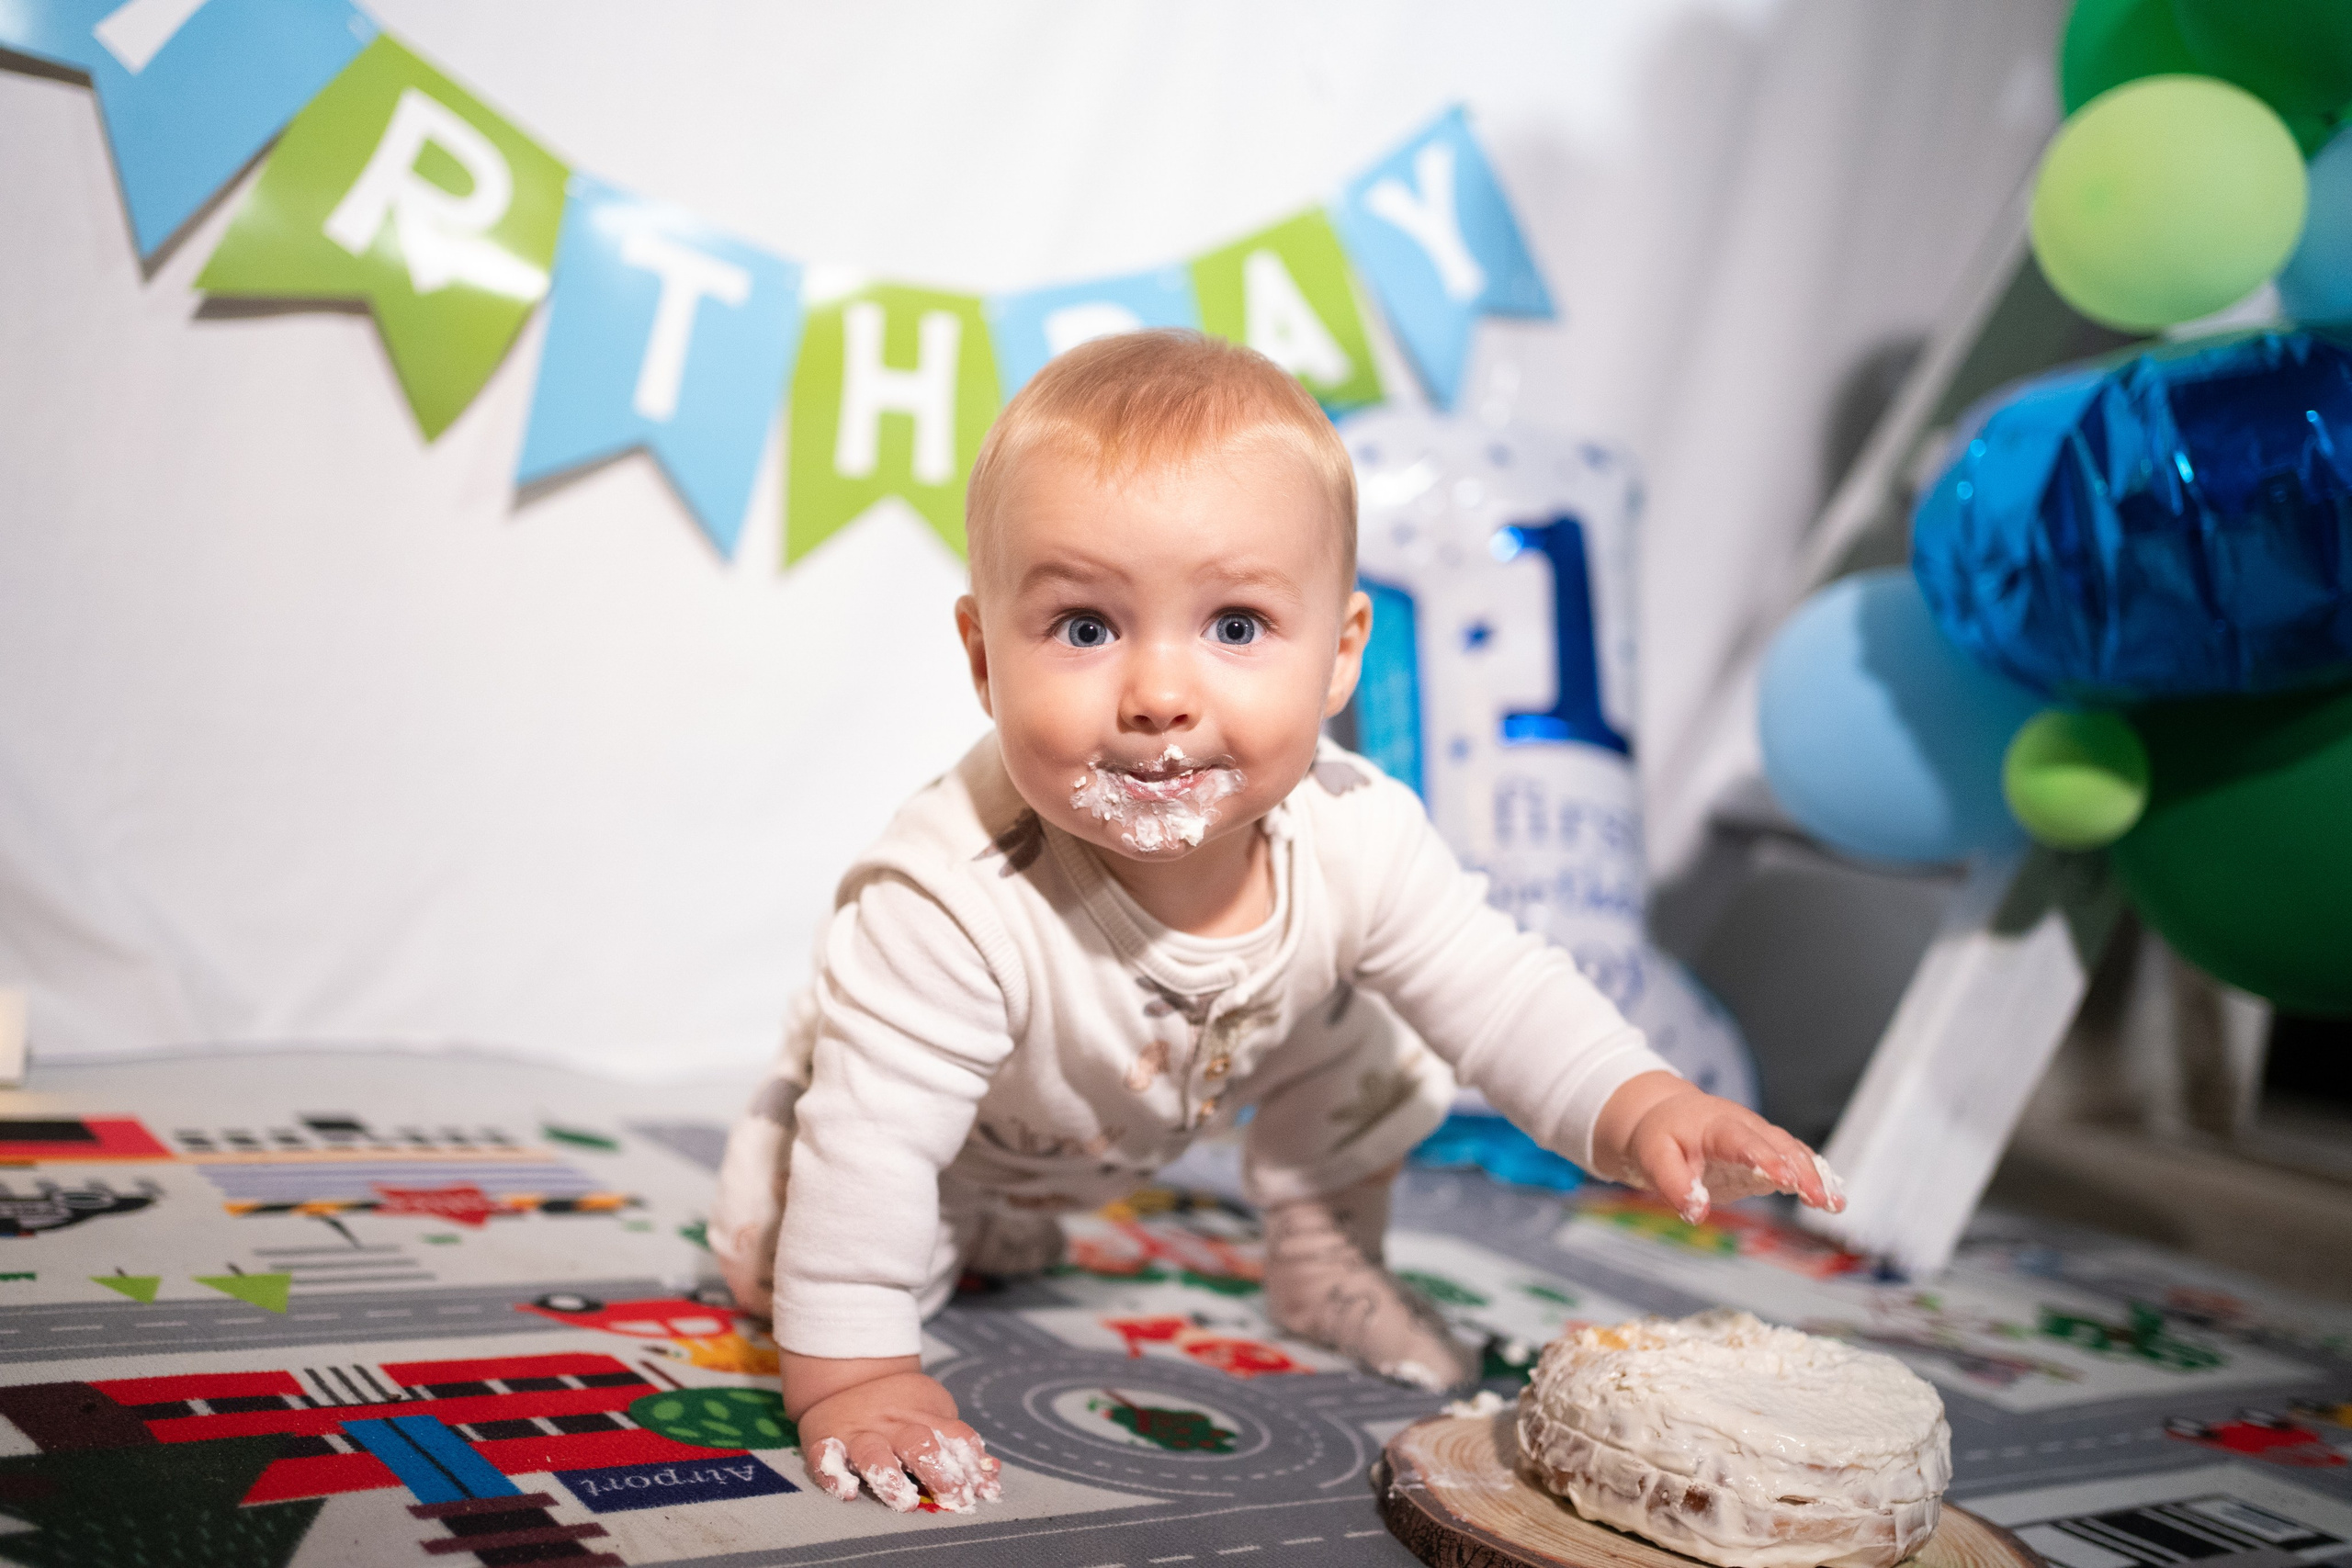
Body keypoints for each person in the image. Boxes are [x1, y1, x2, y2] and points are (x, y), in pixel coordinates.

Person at [710, 329, 1842, 1514]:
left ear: (1340, 654)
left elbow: (1499, 992)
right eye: (1086, 628)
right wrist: (858, 1377)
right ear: (986, 660)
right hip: (927, 1154)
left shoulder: (1355, 833)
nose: (1159, 695)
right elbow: (876, 1146)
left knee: (1386, 1037)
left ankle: (1323, 1247)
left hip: (1122, 1121)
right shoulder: (951, 897)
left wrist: (1642, 1105)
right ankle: (884, 1250)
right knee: (783, 1258)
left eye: (1237, 627)